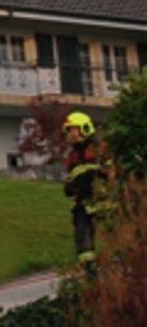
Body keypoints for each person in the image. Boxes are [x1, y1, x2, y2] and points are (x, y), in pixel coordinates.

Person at [62, 110, 104, 265]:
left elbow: (112, 173)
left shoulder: (99, 149)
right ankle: (90, 275)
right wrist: (69, 186)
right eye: (68, 130)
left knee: (115, 238)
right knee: (83, 246)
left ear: (83, 128)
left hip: (102, 203)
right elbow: (70, 181)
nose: (69, 134)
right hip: (81, 206)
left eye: (72, 129)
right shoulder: (72, 156)